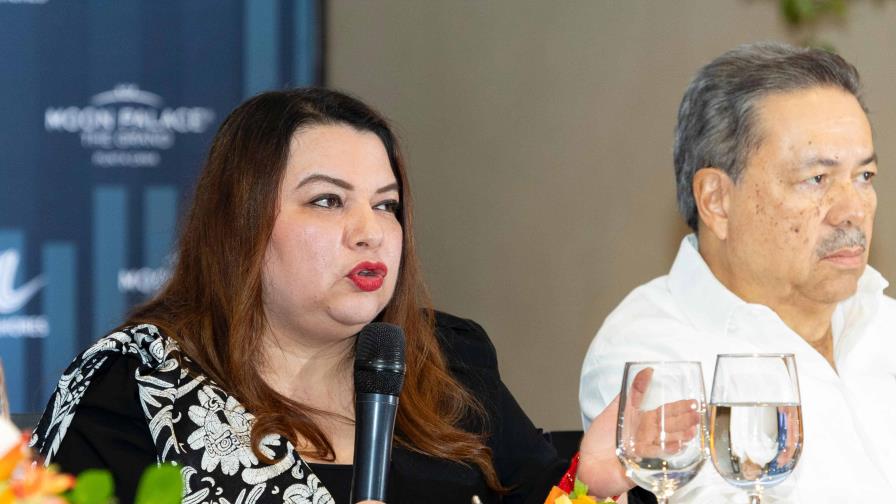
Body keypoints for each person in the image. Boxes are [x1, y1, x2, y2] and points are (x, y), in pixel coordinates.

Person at [31, 88, 631, 504]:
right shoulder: (135, 387)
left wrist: (596, 487)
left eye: (386, 205)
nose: (371, 231)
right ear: (242, 224)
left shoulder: (447, 360)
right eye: (327, 200)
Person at [579, 42, 896, 502]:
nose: (853, 210)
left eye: (864, 177)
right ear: (717, 201)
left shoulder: (885, 323)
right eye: (817, 179)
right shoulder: (655, 359)